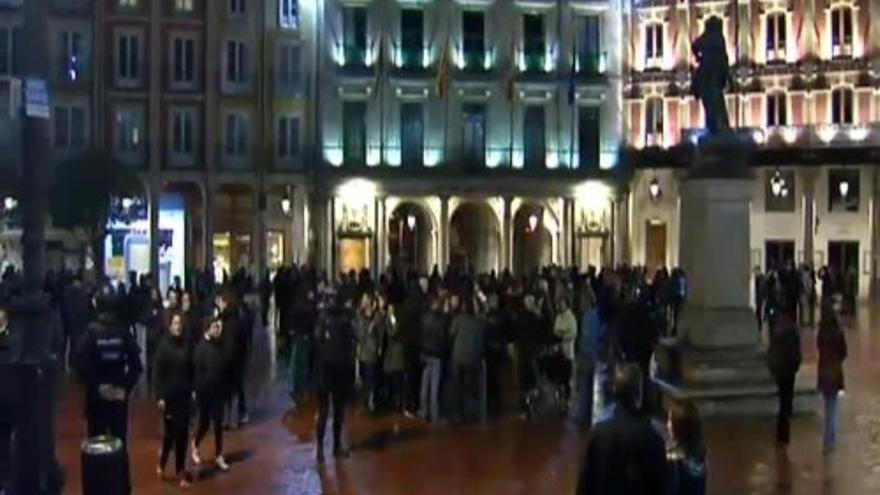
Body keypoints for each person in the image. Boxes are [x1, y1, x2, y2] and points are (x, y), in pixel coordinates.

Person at [576, 363, 669, 495]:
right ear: (639, 394)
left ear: (615, 391)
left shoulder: (598, 433)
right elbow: (661, 487)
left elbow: (585, 484)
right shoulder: (653, 437)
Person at [75, 285, 143, 444]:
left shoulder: (90, 332)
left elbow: (80, 365)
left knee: (96, 447)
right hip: (118, 398)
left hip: (96, 399)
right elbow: (136, 366)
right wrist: (123, 388)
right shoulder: (124, 331)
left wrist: (97, 387)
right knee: (119, 446)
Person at [314, 293, 356, 463]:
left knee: (325, 410)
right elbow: (350, 347)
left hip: (326, 370)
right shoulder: (344, 322)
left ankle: (321, 448)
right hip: (338, 371)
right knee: (336, 410)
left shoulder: (323, 321)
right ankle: (334, 445)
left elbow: (316, 344)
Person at [153, 313, 193, 488]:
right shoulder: (163, 348)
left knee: (183, 436)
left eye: (180, 323)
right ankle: (162, 462)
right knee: (170, 436)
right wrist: (160, 396)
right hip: (169, 398)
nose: (178, 326)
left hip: (184, 397)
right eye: (175, 323)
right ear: (170, 326)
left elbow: (191, 369)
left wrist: (193, 390)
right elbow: (157, 374)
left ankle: (180, 471)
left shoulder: (187, 346)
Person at [191, 319, 230, 472]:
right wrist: (197, 391)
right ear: (208, 329)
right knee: (204, 423)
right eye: (215, 327)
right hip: (205, 393)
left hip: (218, 391)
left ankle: (219, 454)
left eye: (219, 327)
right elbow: (197, 373)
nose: (218, 330)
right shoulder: (200, 348)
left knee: (219, 423)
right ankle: (195, 443)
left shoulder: (220, 346)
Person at [767, 313, 801, 446]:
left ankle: (782, 433)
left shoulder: (777, 332)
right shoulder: (791, 333)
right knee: (786, 402)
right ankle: (784, 434)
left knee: (783, 401)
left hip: (780, 371)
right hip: (788, 371)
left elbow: (771, 353)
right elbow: (795, 353)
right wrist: (795, 365)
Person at [817, 301, 847, 454]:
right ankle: (830, 440)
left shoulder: (822, 332)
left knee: (828, 405)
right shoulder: (838, 332)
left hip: (823, 371)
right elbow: (844, 352)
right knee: (833, 407)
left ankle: (827, 439)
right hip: (835, 371)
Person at [449, 296, 485, 424]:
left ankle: (458, 414)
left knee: (458, 387)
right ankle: (470, 414)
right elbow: (480, 343)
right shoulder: (477, 323)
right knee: (470, 388)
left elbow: (451, 335)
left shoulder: (457, 320)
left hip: (458, 357)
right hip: (472, 358)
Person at [666, 400, 708, 495]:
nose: (668, 425)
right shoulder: (700, 454)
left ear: (679, 427)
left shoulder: (673, 462)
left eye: (670, 421)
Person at [420, 295, 448, 423]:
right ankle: (435, 414)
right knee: (434, 387)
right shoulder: (441, 320)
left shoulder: (424, 318)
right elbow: (442, 338)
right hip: (436, 354)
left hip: (425, 353)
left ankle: (424, 411)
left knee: (425, 384)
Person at [354, 293, 383, 413]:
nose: (364, 302)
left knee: (371, 379)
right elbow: (358, 333)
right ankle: (365, 401)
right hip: (363, 352)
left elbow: (380, 335)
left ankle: (370, 402)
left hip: (371, 352)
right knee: (364, 378)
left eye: (366, 300)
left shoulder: (377, 318)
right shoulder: (359, 316)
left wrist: (378, 347)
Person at [553, 297, 578, 407]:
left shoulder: (571, 317)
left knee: (567, 376)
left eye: (562, 303)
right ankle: (561, 398)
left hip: (568, 350)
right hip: (559, 351)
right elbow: (556, 329)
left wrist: (563, 334)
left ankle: (568, 399)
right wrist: (561, 332)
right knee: (559, 375)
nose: (560, 306)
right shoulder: (558, 317)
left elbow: (573, 332)